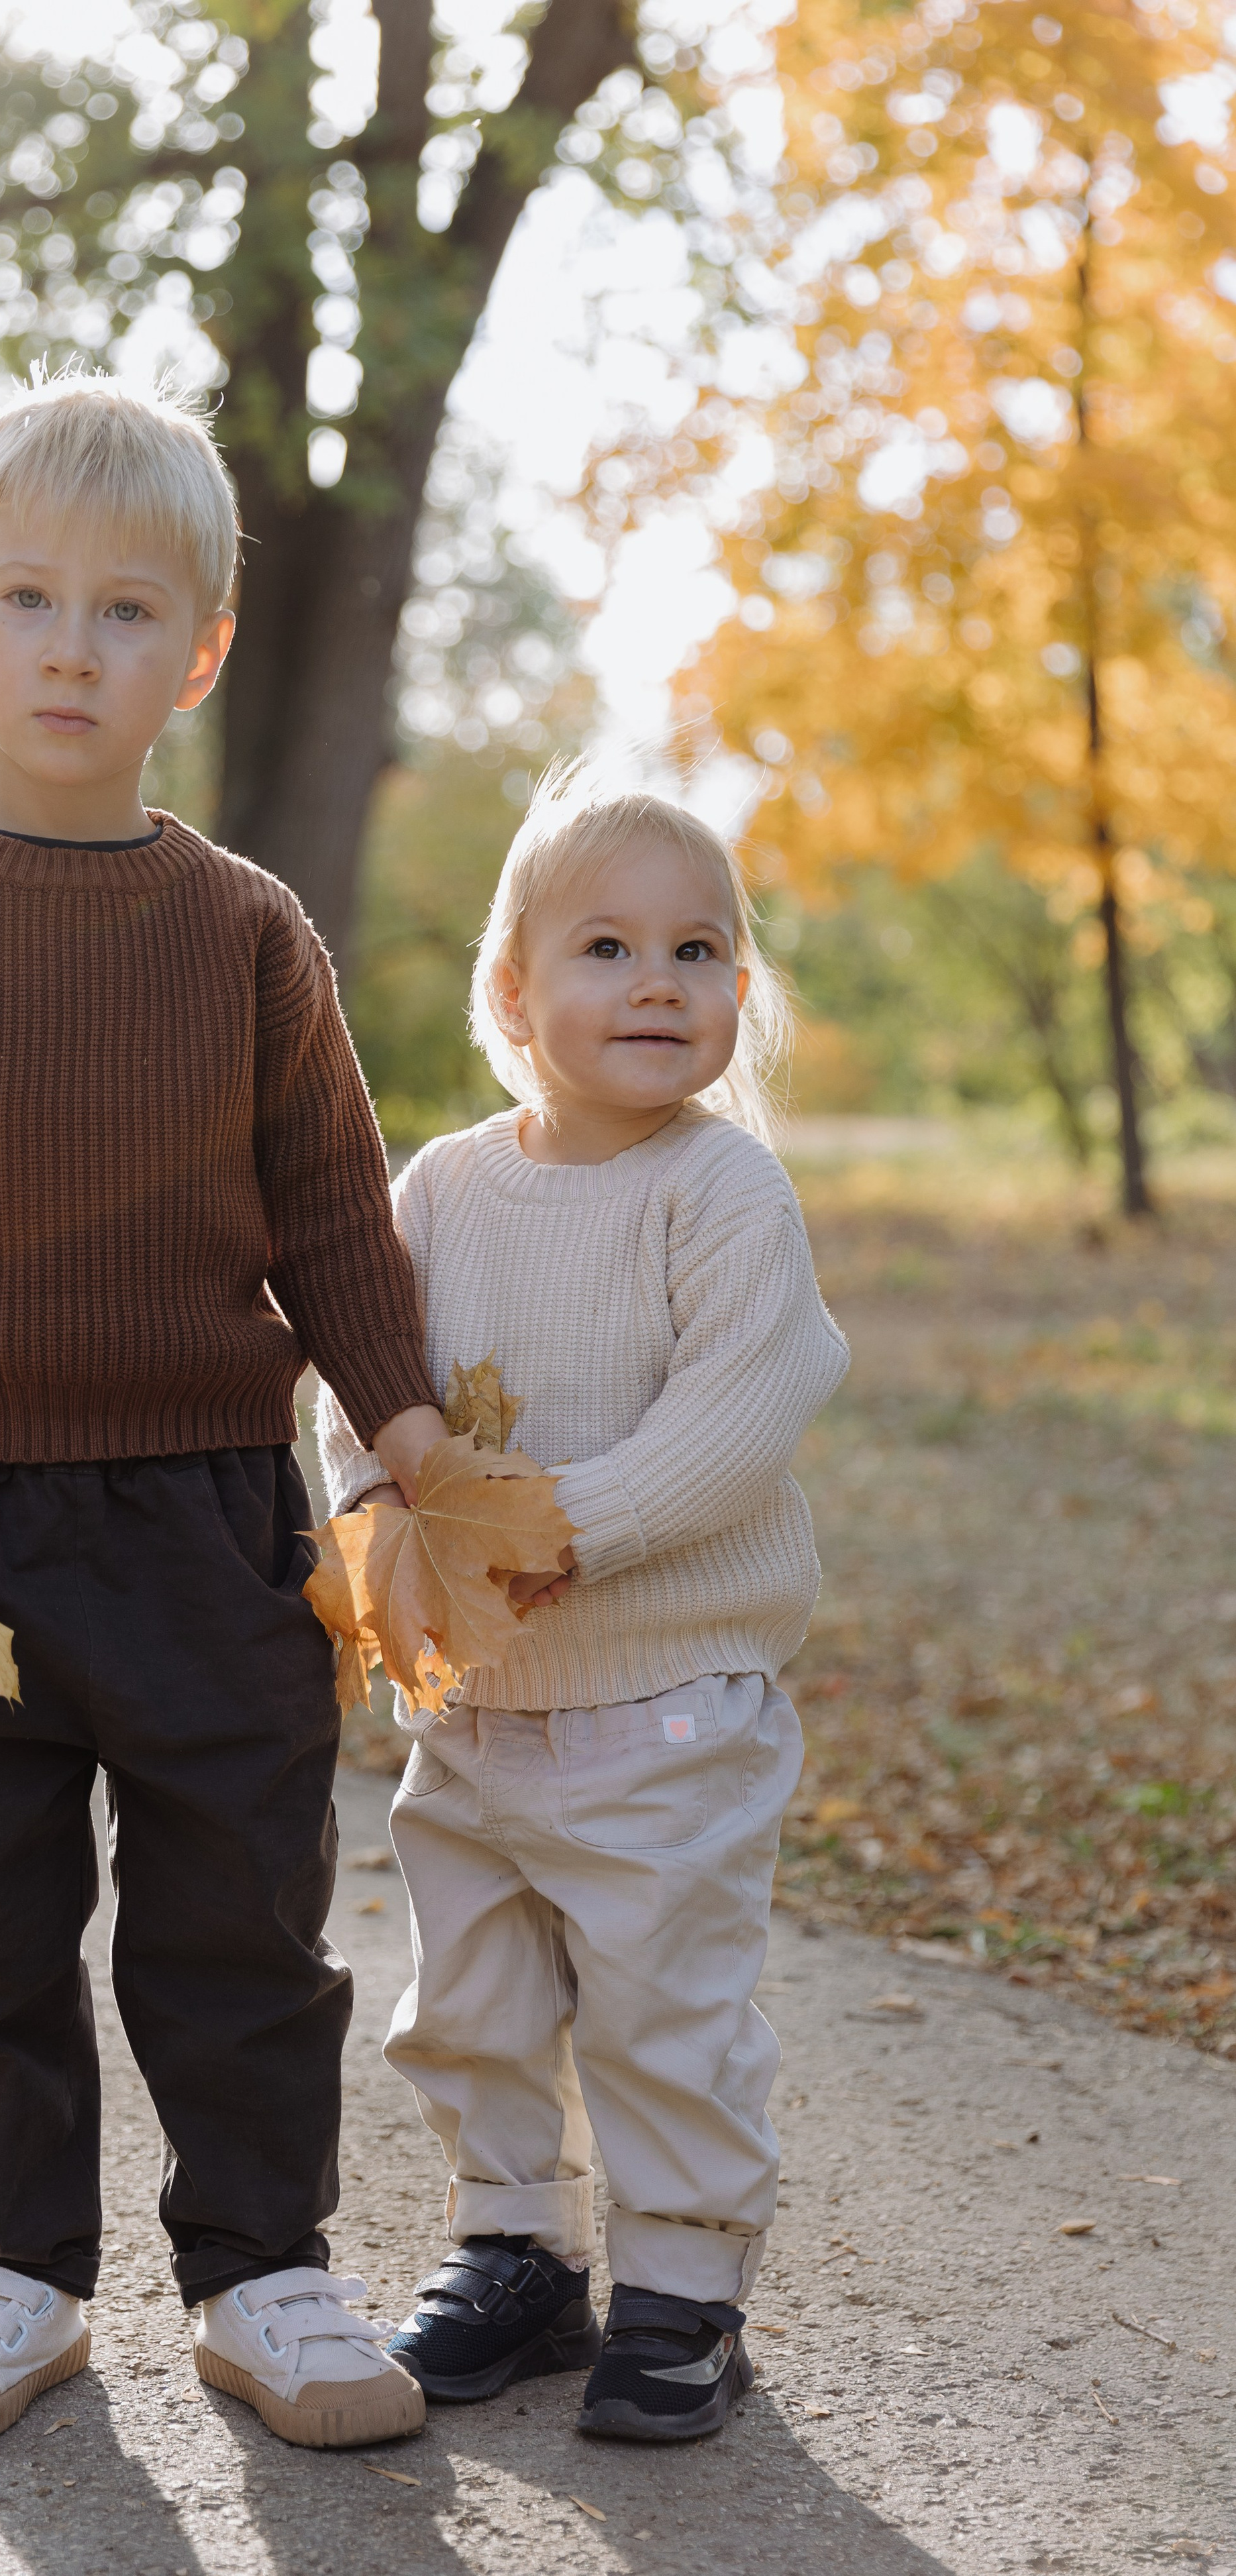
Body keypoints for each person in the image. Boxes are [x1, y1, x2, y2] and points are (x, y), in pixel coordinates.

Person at [0, 370, 447, 2452]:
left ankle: (267, 2271)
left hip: (215, 1515)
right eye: (29, 599)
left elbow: (326, 1208)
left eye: (129, 611)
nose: (73, 644)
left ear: (202, 650)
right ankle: (6, 2273)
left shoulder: (244, 931)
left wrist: (406, 1435)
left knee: (246, 1905)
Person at [317, 765, 849, 2442]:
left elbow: (736, 1419)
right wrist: (369, 1521)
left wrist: (571, 1526)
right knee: (468, 2003)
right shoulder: (441, 1190)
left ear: (735, 998)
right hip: (472, 1709)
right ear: (512, 992)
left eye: (697, 953)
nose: (654, 984)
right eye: (606, 947)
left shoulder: (721, 1194)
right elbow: (358, 1365)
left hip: (667, 1707)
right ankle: (515, 2251)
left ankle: (684, 2285)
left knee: (661, 2006)